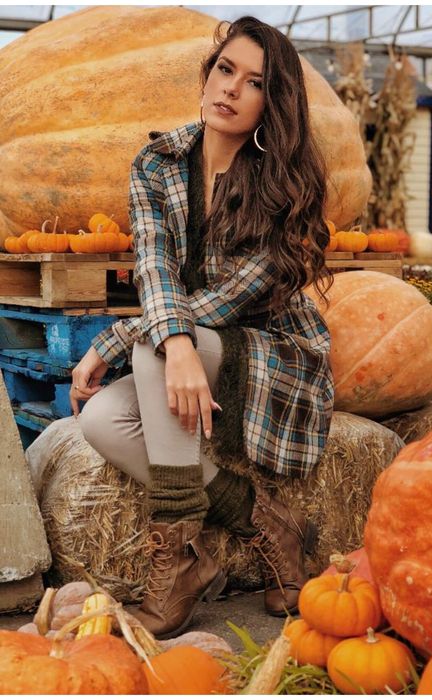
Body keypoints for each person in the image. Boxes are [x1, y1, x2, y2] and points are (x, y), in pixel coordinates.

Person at [72, 16, 335, 638]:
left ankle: (179, 563)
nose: (231, 90)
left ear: (274, 102)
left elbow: (234, 297)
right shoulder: (156, 163)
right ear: (208, 71)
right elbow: (154, 268)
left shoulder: (285, 183)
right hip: (188, 340)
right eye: (225, 70)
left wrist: (129, 341)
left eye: (254, 83)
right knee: (99, 420)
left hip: (272, 348)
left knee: (161, 351)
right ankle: (264, 520)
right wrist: (172, 341)